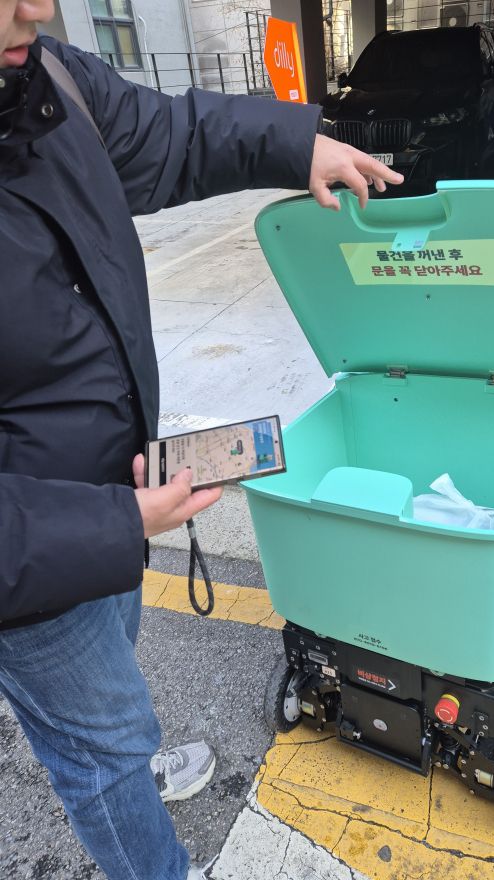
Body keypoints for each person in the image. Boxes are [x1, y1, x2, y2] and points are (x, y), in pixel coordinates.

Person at [0, 1, 402, 878]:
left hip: (115, 497)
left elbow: (172, 135)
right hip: (29, 561)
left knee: (117, 680)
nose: (38, 7)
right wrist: (110, 526)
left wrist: (298, 145)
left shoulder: (44, 75)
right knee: (97, 743)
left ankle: (126, 761)